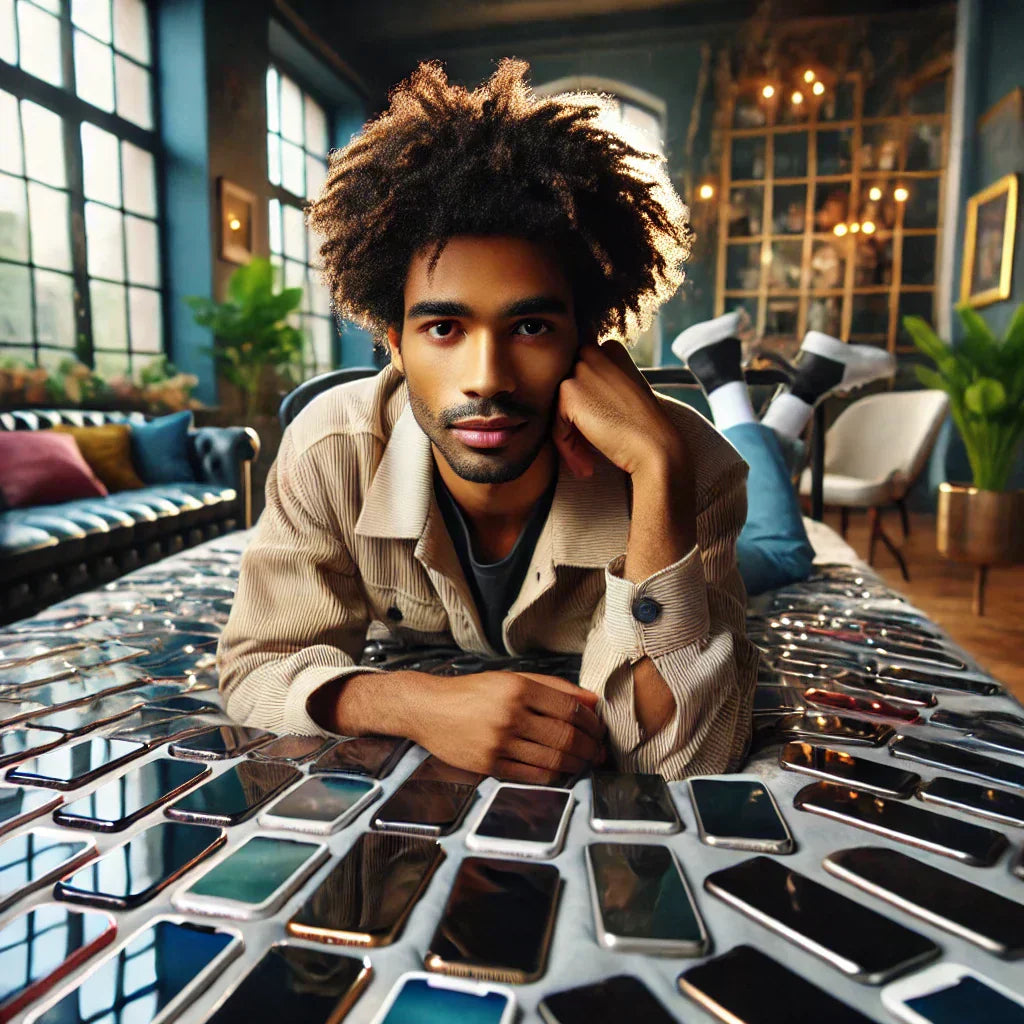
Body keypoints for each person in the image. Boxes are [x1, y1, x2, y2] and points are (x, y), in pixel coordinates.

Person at [217, 58, 759, 783]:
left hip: (700, 498)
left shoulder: (689, 465)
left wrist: (660, 475)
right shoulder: (330, 446)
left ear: (588, 335)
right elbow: (254, 671)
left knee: (780, 554)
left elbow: (672, 758)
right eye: (444, 328)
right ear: (394, 342)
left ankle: (756, 422)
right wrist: (413, 703)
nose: (488, 379)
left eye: (531, 326)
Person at [671, 311, 895, 595]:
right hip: (664, 547)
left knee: (783, 554)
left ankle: (723, 379)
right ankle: (807, 382)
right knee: (748, 530)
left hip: (665, 564)